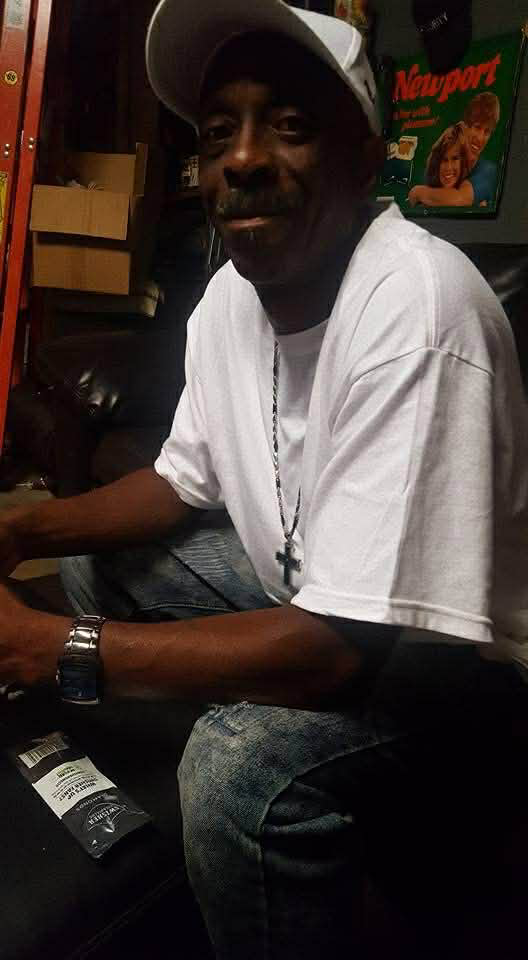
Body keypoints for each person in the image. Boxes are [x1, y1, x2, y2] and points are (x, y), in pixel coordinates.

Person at [0, 2, 527, 956]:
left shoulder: (420, 307)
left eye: (289, 125)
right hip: (321, 598)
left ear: (365, 161)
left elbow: (335, 654)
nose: (242, 158)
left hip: (467, 669)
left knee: (237, 769)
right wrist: (21, 531)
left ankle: (269, 809)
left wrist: (50, 650)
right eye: (217, 134)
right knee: (92, 569)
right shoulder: (228, 300)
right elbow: (178, 482)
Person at [408, 92, 500, 208]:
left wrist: (418, 192)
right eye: (477, 127)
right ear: (465, 126)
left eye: (487, 132)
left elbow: (461, 198)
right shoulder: (451, 165)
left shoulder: (488, 171)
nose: (480, 138)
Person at [424, 122, 470, 190]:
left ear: (463, 162)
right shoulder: (421, 194)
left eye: (455, 159)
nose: (449, 167)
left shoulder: (469, 189)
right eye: (444, 160)